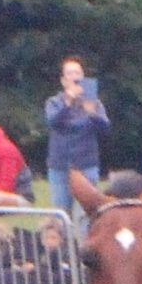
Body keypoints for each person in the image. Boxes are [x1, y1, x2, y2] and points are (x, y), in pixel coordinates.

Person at [42, 58, 109, 213]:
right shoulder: (54, 102)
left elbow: (105, 128)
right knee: (62, 213)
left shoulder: (94, 103)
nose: (75, 77)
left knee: (86, 213)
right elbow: (53, 122)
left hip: (87, 165)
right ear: (63, 80)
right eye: (70, 73)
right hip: (60, 166)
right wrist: (68, 102)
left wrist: (92, 114)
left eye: (78, 73)